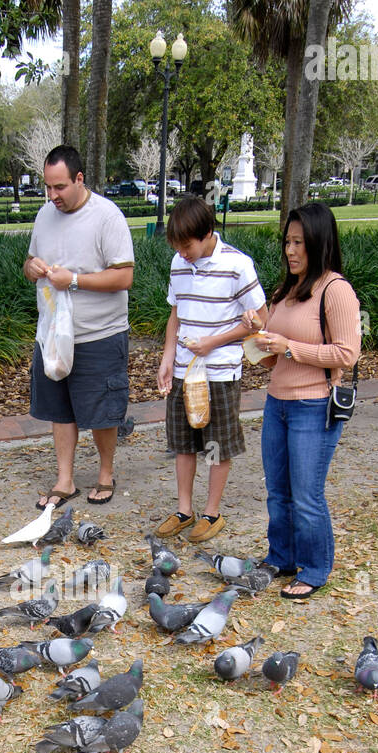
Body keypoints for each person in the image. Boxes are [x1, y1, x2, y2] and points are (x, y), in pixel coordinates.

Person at [243, 201, 361, 599]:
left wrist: (290, 347)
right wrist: (260, 336)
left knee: (306, 494)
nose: (291, 251)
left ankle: (314, 568)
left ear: (319, 242)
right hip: (277, 402)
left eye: (299, 242)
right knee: (277, 489)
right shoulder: (286, 290)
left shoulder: (336, 290)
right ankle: (282, 556)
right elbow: (275, 357)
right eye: (288, 242)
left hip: (314, 405)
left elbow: (346, 354)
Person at [23, 145, 134, 507]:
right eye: (48, 188)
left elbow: (124, 277)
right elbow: (28, 264)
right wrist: (33, 269)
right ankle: (65, 479)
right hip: (53, 333)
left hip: (99, 332)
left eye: (59, 187)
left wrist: (73, 280)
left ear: (79, 179)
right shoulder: (44, 216)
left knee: (102, 409)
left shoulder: (107, 217)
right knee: (59, 407)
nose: (52, 195)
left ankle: (105, 474)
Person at [156, 195, 267, 542]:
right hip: (183, 371)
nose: (182, 252)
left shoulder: (238, 265)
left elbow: (259, 320)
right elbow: (175, 313)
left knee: (216, 444)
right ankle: (184, 510)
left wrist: (213, 342)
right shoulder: (178, 263)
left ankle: (212, 512)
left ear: (207, 234)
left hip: (219, 371)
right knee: (184, 442)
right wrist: (166, 356)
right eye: (177, 245)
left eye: (187, 245)